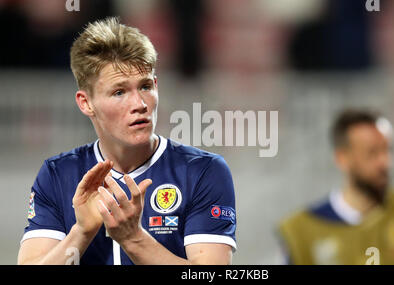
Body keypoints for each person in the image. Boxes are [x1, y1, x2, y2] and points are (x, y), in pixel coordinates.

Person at [17, 17, 236, 265]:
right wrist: (82, 232)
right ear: (85, 103)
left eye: (144, 86)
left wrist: (133, 239)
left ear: (156, 85)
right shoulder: (57, 174)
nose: (140, 104)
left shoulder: (202, 171)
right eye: (119, 92)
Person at [278, 109, 394, 265]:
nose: (385, 162)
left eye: (387, 150)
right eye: (372, 153)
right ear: (342, 158)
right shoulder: (303, 230)